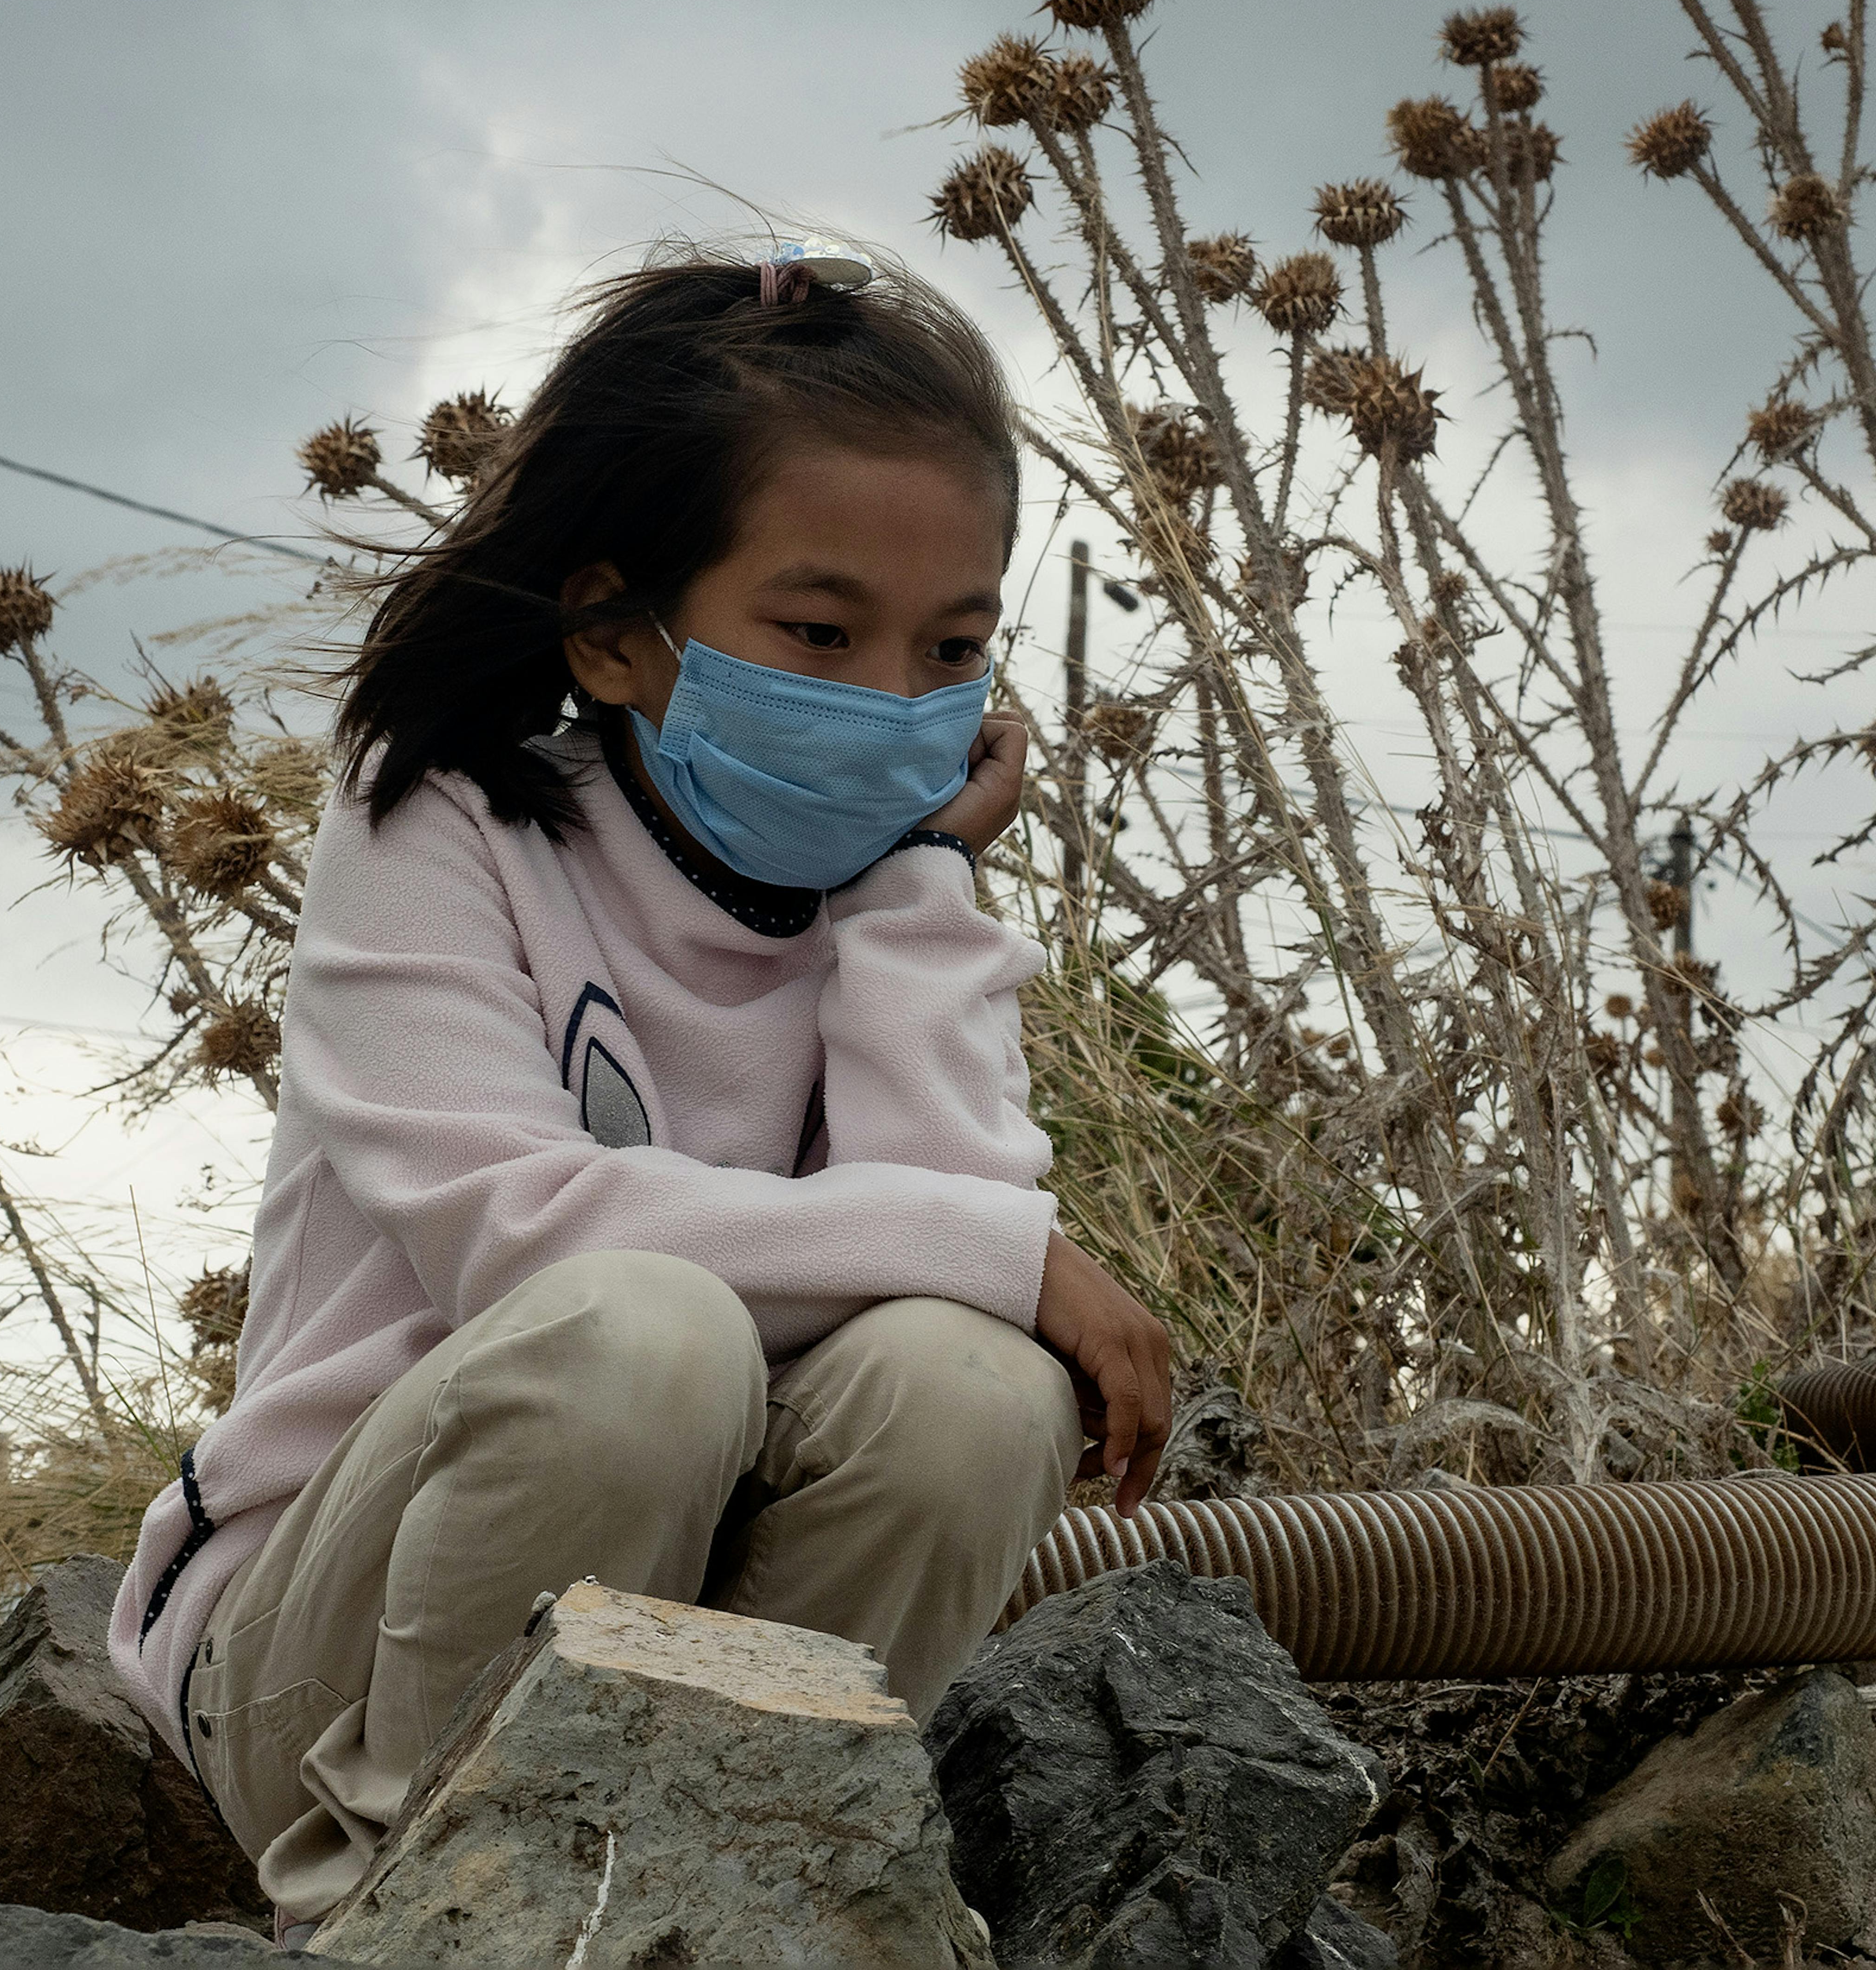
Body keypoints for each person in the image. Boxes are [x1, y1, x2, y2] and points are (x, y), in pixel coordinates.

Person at [107, 243, 1178, 1933]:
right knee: (640, 1335)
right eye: (819, 633)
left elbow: (947, 1258)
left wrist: (914, 892)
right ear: (616, 637)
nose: (896, 701)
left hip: (713, 1620)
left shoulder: (897, 903)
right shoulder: (441, 822)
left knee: (972, 1388)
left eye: (951, 646)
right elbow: (515, 1241)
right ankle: (412, 1914)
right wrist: (1003, 1246)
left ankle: (742, 1894)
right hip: (327, 1659)